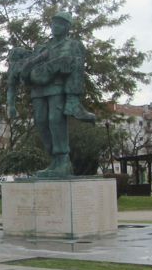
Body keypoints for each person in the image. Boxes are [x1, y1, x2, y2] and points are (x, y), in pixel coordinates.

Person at [7, 11, 95, 177]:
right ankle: (54, 160)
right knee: (40, 122)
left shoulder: (73, 45)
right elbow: (25, 68)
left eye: (60, 24)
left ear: (67, 27)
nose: (55, 27)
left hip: (57, 88)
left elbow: (76, 68)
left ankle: (63, 160)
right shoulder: (43, 47)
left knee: (55, 120)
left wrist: (73, 97)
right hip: (38, 91)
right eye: (53, 23)